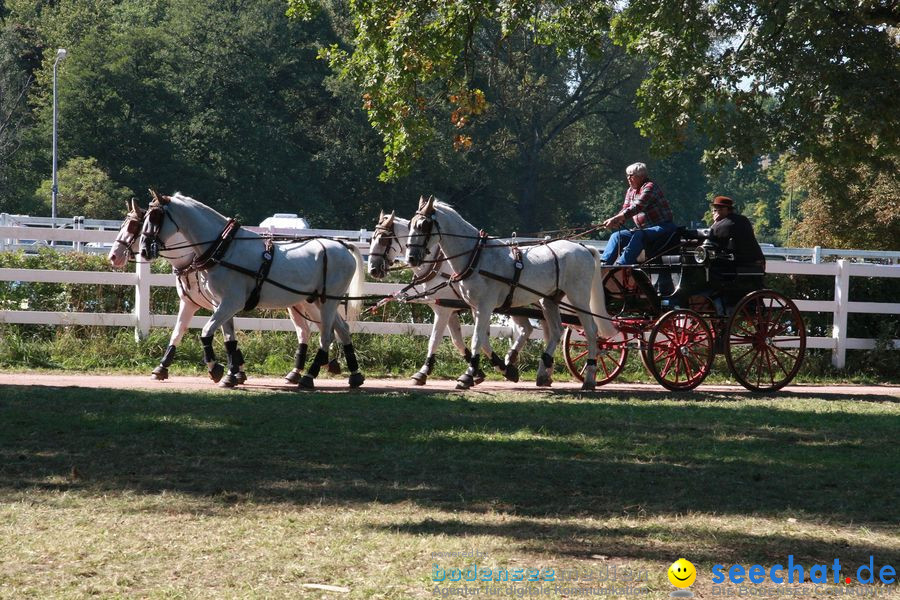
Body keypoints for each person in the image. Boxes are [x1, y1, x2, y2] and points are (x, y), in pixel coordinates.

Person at [601, 162, 677, 266]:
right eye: (627, 175)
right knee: (616, 236)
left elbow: (637, 207)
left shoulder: (650, 187)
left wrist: (615, 218)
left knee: (639, 234)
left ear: (641, 176)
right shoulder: (630, 191)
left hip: (663, 227)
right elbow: (625, 209)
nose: (628, 178)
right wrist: (617, 220)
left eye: (631, 175)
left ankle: (622, 265)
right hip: (645, 231)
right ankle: (603, 264)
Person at [707, 195, 766, 294]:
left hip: (738, 263)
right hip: (755, 260)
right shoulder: (743, 220)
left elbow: (711, 239)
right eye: (715, 210)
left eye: (716, 210)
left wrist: (715, 223)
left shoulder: (722, 225)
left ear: (725, 210)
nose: (715, 212)